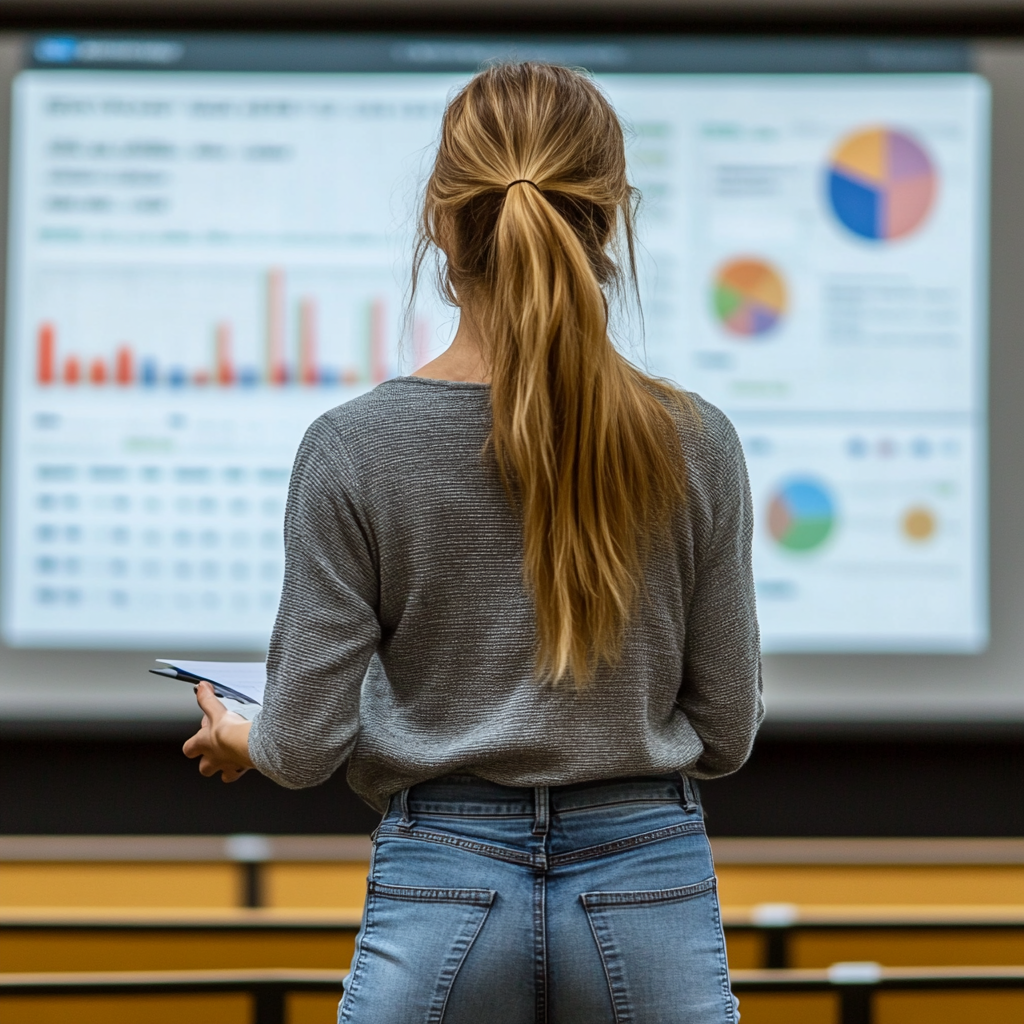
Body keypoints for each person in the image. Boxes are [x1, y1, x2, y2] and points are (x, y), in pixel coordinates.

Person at [184, 61, 762, 1024]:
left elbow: (303, 745)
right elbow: (730, 727)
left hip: (440, 881)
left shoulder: (352, 447)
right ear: (607, 225)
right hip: (648, 881)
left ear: (439, 223)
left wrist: (254, 737)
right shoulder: (696, 442)